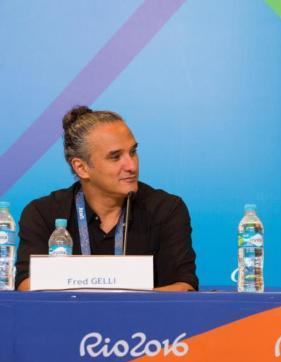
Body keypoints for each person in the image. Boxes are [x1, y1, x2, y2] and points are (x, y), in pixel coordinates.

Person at [16, 106, 198, 291]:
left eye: (133, 152)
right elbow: (27, 285)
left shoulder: (166, 209)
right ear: (81, 168)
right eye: (115, 157)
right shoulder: (42, 213)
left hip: (142, 320)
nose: (131, 166)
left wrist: (115, 305)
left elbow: (184, 286)